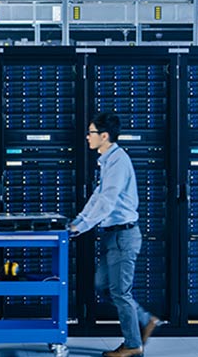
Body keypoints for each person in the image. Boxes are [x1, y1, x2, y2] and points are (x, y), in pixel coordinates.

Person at [68, 113, 160, 357]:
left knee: (120, 292)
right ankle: (145, 319)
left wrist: (82, 226)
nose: (87, 137)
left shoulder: (118, 161)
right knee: (103, 285)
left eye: (91, 132)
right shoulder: (108, 161)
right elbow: (98, 197)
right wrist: (77, 222)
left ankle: (132, 346)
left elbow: (107, 201)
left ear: (104, 136)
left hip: (123, 236)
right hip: (112, 236)